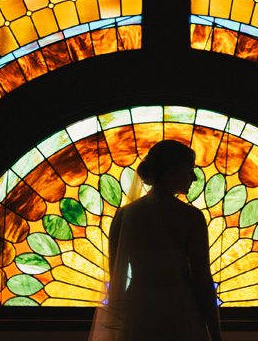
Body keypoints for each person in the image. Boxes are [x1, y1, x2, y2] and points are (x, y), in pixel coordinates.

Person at [89, 140, 223, 341]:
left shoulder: (124, 215)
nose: (194, 178)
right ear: (171, 172)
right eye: (189, 171)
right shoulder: (190, 217)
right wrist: (216, 334)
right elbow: (202, 280)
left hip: (138, 309)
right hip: (180, 310)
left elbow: (116, 271)